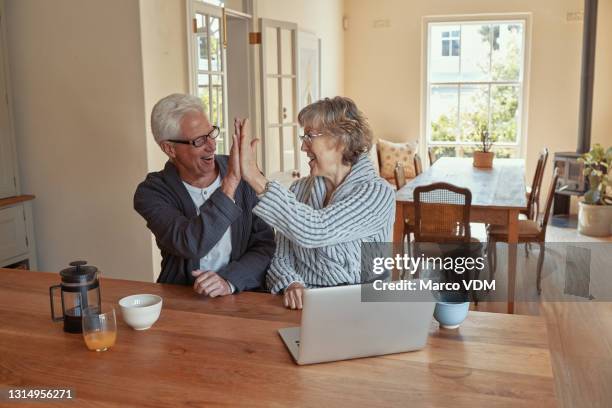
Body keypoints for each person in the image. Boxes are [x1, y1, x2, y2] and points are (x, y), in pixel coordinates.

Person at [236, 96, 395, 309]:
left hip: (363, 307)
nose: (303, 146)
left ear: (341, 139)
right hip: (304, 307)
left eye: (310, 136)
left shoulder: (378, 193)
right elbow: (281, 258)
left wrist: (255, 178)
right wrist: (291, 283)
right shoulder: (299, 189)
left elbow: (317, 229)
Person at [134, 93, 274, 296]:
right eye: (199, 140)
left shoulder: (246, 173)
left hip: (243, 295)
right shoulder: (152, 192)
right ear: (169, 148)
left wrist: (229, 280)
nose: (212, 145)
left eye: (211, 133)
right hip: (182, 299)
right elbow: (190, 243)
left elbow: (265, 245)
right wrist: (230, 184)